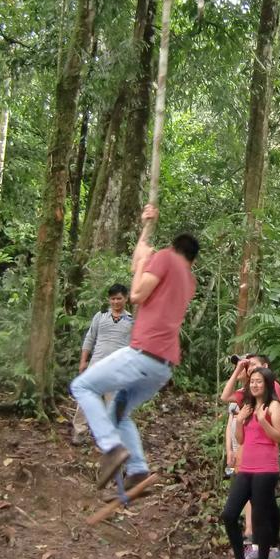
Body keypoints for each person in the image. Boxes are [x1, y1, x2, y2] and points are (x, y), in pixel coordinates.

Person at [70, 205, 198, 489]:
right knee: (118, 411)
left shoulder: (166, 258)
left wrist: (144, 251)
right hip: (163, 368)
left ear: (173, 248)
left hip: (143, 354)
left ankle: (110, 446)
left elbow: (137, 291)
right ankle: (138, 469)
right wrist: (146, 228)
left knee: (83, 387)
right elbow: (140, 263)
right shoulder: (189, 280)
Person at [213, 366, 280, 559]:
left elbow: (279, 437)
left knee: (260, 519)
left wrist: (263, 421)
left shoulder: (274, 407)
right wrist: (239, 421)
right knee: (229, 514)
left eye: (259, 381)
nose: (254, 385)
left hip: (265, 470)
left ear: (267, 384)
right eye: (252, 381)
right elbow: (241, 439)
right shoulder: (248, 405)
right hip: (246, 468)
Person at [70, 283, 134, 445]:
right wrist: (83, 361)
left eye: (119, 298)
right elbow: (90, 338)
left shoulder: (131, 320)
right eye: (112, 299)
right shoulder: (101, 315)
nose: (115, 302)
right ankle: (80, 432)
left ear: (125, 299)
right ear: (109, 299)